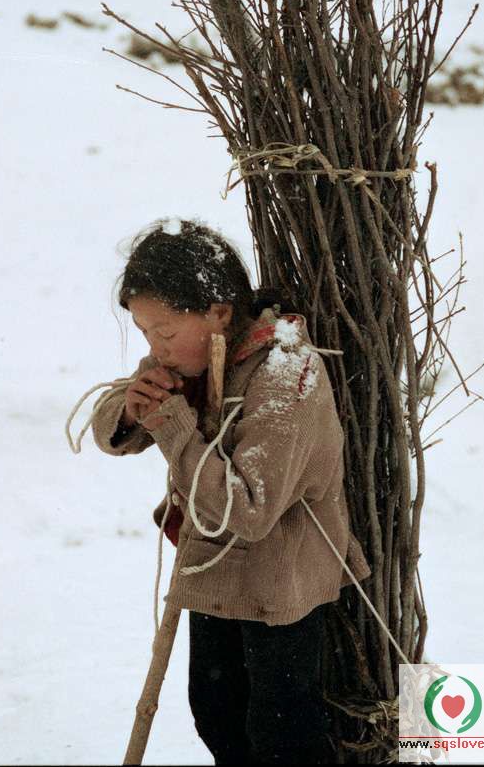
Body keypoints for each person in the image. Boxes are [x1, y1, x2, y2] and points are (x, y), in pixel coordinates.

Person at [90, 217, 371, 766]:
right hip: (213, 569)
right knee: (216, 711)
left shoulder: (287, 373)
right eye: (144, 332)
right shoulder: (190, 357)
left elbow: (248, 510)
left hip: (280, 582)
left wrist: (171, 424)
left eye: (164, 331)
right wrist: (131, 407)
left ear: (219, 313)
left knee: (280, 730)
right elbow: (110, 432)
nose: (155, 348)